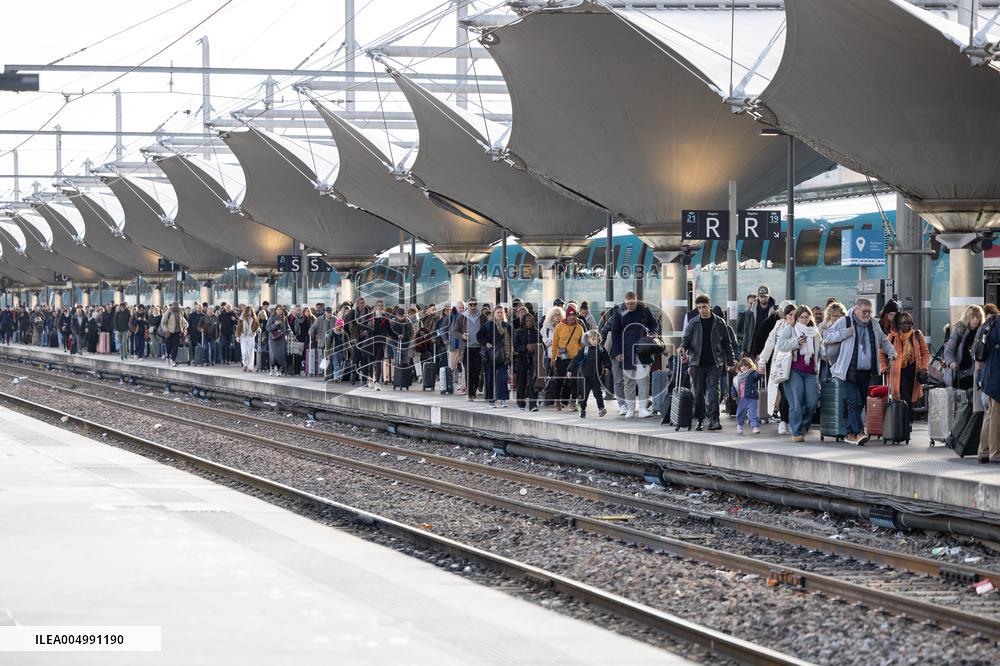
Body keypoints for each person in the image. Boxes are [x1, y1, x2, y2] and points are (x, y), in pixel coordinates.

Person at [824, 297, 898, 445]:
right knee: (854, 401)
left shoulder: (874, 324)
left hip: (866, 371)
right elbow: (827, 337)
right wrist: (845, 333)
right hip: (848, 370)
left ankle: (850, 433)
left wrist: (892, 352)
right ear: (856, 310)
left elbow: (883, 340)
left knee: (860, 403)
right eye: (864, 311)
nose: (867, 314)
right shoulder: (845, 321)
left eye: (870, 311)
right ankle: (859, 432)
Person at [679, 295, 735, 431]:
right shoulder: (693, 322)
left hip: (714, 363)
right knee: (698, 393)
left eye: (704, 307)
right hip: (697, 363)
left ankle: (714, 419)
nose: (702, 310)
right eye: (699, 308)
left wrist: (730, 360)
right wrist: (682, 347)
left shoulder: (719, 322)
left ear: (709, 306)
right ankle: (699, 419)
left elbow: (727, 343)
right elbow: (686, 339)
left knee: (713, 392)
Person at [777, 306, 823, 442]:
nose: (804, 320)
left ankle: (803, 426)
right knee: (796, 402)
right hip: (794, 371)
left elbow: (821, 350)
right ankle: (796, 432)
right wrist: (795, 342)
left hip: (810, 372)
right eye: (801, 317)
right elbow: (780, 345)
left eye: (806, 317)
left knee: (812, 402)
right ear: (797, 318)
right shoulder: (790, 329)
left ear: (810, 317)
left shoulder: (815, 332)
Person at [609, 292, 659, 419]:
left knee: (644, 380)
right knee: (629, 381)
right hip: (626, 352)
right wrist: (617, 353)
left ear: (636, 301)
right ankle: (630, 408)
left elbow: (654, 324)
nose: (629, 306)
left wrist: (653, 332)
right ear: (624, 302)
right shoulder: (619, 313)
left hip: (643, 351)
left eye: (632, 304)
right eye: (627, 304)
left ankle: (642, 408)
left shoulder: (644, 311)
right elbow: (614, 334)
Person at [879, 311, 930, 416]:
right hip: (898, 374)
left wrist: (924, 368)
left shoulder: (917, 335)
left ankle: (906, 423)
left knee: (911, 400)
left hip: (914, 374)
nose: (907, 325)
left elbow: (925, 353)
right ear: (899, 325)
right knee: (903, 398)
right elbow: (881, 352)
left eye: (909, 323)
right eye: (903, 323)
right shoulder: (892, 337)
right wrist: (883, 366)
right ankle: (903, 422)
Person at [974, 304, 1000, 463]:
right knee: (996, 414)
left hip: (988, 375)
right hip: (996, 375)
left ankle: (983, 451)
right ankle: (995, 453)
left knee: (989, 415)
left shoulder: (989, 324)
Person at [550, 304, 585, 411]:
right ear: (566, 316)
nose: (572, 317)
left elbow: (582, 343)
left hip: (574, 359)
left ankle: (573, 403)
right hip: (561, 358)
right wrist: (553, 358)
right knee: (559, 380)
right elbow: (555, 343)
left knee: (574, 381)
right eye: (570, 315)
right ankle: (557, 401)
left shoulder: (579, 327)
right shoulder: (559, 327)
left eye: (574, 315)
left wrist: (581, 356)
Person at [570, 328, 611, 418]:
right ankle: (583, 409)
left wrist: (607, 367)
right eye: (593, 339)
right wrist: (570, 369)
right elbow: (576, 359)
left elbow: (606, 359)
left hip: (596, 376)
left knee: (598, 393)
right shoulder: (584, 350)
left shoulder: (601, 349)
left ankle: (601, 408)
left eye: (596, 339)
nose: (595, 341)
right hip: (585, 376)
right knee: (584, 394)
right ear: (588, 339)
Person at [943, 304, 984, 391]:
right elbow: (948, 350)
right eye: (972, 317)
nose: (975, 320)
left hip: (975, 373)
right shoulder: (959, 329)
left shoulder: (982, 332)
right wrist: (951, 362)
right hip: (960, 373)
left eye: (977, 318)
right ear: (967, 317)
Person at [478, 306, 512, 407]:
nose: (500, 314)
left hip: (503, 356)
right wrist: (486, 343)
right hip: (491, 356)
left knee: (503, 378)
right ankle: (491, 400)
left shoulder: (507, 326)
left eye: (501, 312)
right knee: (490, 378)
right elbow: (479, 336)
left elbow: (511, 340)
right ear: (494, 313)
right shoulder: (489, 325)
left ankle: (502, 399)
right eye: (498, 312)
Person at [513, 312, 541, 411]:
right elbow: (515, 347)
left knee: (533, 382)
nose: (529, 323)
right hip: (522, 360)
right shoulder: (519, 332)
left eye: (530, 321)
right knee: (522, 382)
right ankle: (521, 403)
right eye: (527, 321)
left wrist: (535, 346)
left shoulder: (536, 332)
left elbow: (541, 345)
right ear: (523, 322)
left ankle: (533, 404)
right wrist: (525, 347)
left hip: (533, 360)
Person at [741, 285, 777, 356]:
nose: (763, 299)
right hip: (754, 346)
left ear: (769, 296)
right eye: (761, 296)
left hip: (769, 346)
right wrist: (744, 349)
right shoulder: (750, 311)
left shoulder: (775, 311)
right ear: (758, 297)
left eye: (765, 296)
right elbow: (747, 331)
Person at [731, 356, 761, 435]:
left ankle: (755, 426)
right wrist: (733, 394)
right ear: (739, 367)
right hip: (742, 398)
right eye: (742, 366)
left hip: (752, 398)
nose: (743, 367)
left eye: (746, 365)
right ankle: (739, 425)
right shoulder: (737, 377)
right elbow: (734, 386)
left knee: (753, 413)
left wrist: (760, 369)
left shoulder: (752, 374)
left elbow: (757, 376)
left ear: (750, 366)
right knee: (740, 413)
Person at [265, 305, 290, 377]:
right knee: (273, 355)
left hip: (281, 339)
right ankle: (272, 368)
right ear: (275, 310)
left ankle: (279, 369)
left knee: (281, 355)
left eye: (281, 309)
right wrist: (275, 325)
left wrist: (288, 332)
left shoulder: (284, 318)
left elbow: (287, 327)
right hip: (273, 339)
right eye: (278, 309)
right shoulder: (271, 318)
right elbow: (268, 328)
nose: (279, 311)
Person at [161, 302, 187, 367]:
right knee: (169, 346)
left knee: (175, 346)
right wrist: (166, 330)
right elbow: (163, 323)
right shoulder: (168, 312)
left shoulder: (180, 313)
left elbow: (184, 322)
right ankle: (168, 357)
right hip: (169, 332)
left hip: (177, 332)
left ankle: (173, 360)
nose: (176, 308)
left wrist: (185, 328)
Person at [236, 305, 259, 372]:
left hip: (251, 336)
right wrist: (237, 336)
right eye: (248, 311)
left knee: (250, 352)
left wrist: (258, 330)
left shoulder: (255, 319)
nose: (250, 312)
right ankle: (245, 364)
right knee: (244, 352)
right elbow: (238, 328)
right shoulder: (241, 318)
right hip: (243, 336)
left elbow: (258, 327)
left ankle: (250, 367)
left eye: (251, 311)